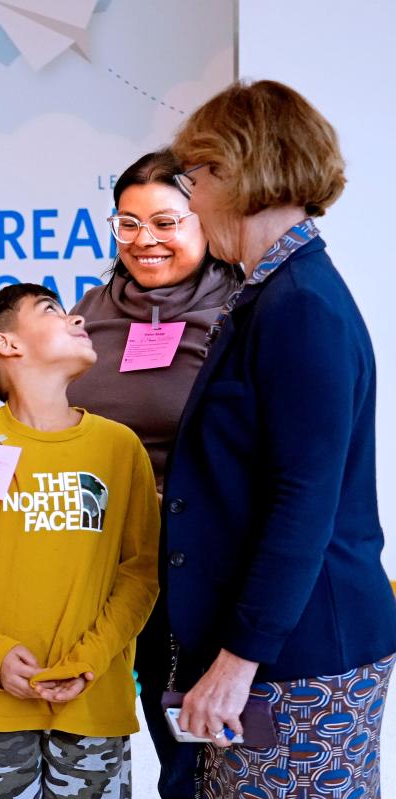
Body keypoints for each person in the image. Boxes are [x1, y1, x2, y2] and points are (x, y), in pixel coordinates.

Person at [164, 79, 396, 797]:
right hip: (274, 649)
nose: (190, 199)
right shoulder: (272, 292)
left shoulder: (301, 306)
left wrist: (239, 661)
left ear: (237, 170)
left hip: (300, 655)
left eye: (193, 177)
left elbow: (304, 503)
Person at [0, 283, 160, 798]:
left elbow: (141, 571)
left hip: (94, 706)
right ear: (7, 344)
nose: (77, 320)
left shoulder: (120, 446)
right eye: (51, 311)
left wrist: (90, 659)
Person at [66, 150, 242, 797]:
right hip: (117, 559)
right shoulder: (94, 306)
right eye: (129, 223)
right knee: (160, 726)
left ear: (204, 221)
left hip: (209, 556)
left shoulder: (241, 308)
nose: (146, 241)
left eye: (166, 222)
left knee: (210, 739)